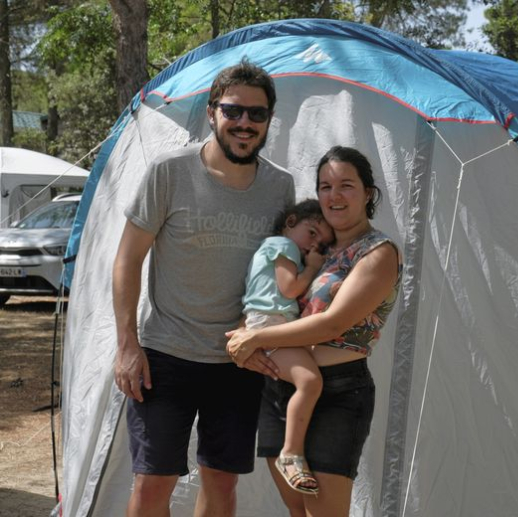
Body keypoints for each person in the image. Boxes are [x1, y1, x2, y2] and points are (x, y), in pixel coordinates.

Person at [112, 59, 294, 517]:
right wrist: (127, 345)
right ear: (212, 113)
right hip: (164, 356)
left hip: (238, 359)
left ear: (270, 120)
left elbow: (276, 273)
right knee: (152, 485)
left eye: (257, 114)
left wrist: (250, 332)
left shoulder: (281, 187)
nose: (245, 123)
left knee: (221, 485)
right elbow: (127, 259)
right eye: (234, 111)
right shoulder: (169, 172)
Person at [226, 145, 403, 517]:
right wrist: (246, 333)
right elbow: (272, 299)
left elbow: (333, 323)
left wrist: (256, 339)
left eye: (346, 186)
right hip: (280, 388)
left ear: (368, 194)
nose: (333, 196)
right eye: (325, 186)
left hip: (338, 393)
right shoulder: (311, 249)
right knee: (298, 513)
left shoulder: (378, 252)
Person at [240, 199, 333, 495]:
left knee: (306, 377)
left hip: (268, 323)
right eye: (313, 233)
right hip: (272, 325)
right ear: (291, 222)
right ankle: (291, 453)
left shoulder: (272, 248)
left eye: (322, 242)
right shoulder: (284, 246)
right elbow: (290, 288)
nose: (314, 244)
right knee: (310, 380)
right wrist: (314, 267)